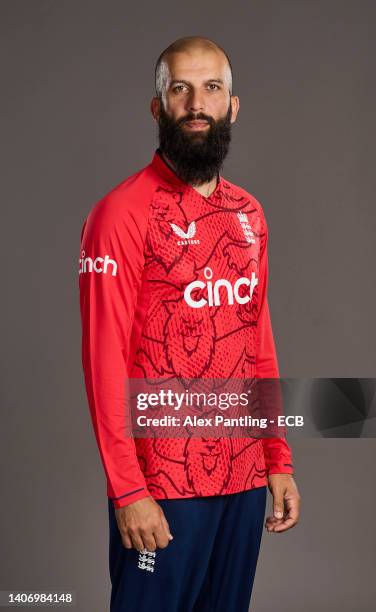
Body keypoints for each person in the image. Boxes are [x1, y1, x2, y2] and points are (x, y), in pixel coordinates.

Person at [79, 35, 301, 612]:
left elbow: (259, 344)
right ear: (159, 108)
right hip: (162, 488)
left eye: (211, 88)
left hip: (244, 483)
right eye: (181, 89)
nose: (197, 103)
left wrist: (277, 458)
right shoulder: (119, 214)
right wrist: (128, 489)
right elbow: (103, 361)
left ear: (232, 106)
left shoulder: (249, 213)